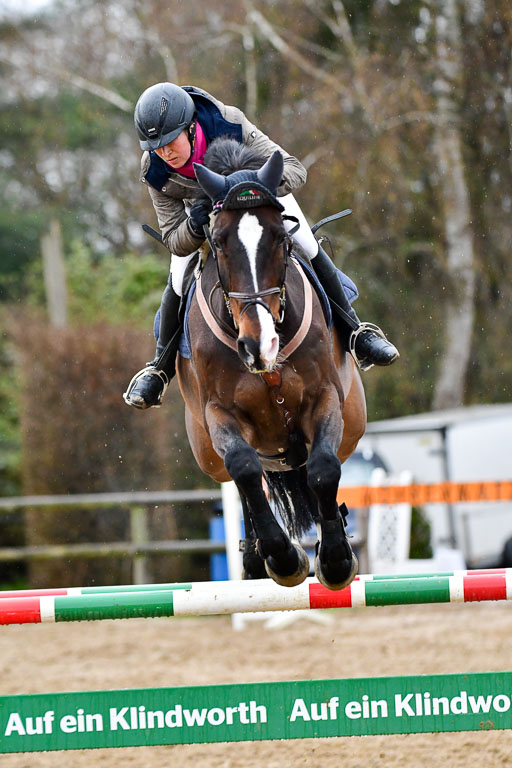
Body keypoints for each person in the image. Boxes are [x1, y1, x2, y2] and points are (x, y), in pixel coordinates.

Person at [124, 82, 399, 409]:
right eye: (156, 147)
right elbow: (173, 237)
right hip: (203, 218)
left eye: (170, 142)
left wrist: (251, 187)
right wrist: (196, 226)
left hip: (257, 199)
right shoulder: (153, 169)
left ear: (191, 127)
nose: (164, 152)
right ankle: (160, 368)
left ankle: (357, 335)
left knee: (307, 244)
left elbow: (294, 170)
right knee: (178, 278)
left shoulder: (229, 122)